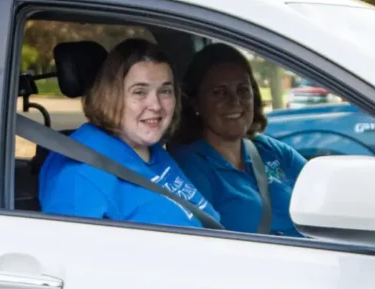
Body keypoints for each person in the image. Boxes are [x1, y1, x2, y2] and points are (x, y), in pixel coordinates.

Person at [38, 38, 220, 228]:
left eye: (165, 91)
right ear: (110, 95)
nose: (156, 105)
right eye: (140, 92)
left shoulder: (151, 151)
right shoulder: (80, 175)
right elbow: (70, 254)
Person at [170, 43, 311, 236]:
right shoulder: (189, 165)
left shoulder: (272, 151)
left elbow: (322, 192)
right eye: (219, 92)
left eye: (243, 90)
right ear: (196, 102)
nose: (234, 101)